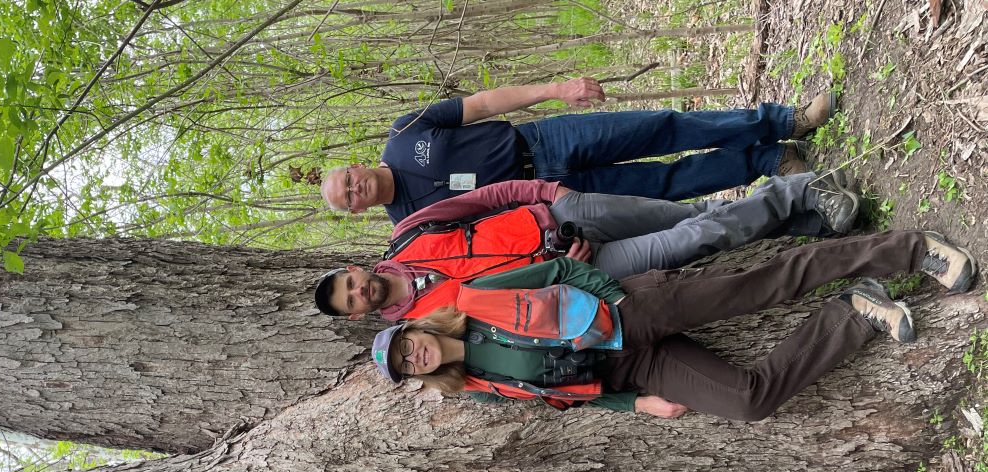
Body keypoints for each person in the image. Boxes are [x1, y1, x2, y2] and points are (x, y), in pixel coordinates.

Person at [364, 230, 978, 421]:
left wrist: (614, 298)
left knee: (766, 285)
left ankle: (910, 250)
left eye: (405, 347)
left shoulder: (470, 299)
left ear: (415, 329)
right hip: (634, 366)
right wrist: (636, 404)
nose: (412, 358)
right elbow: (567, 398)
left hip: (632, 311)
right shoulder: (476, 383)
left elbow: (552, 268)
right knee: (746, 402)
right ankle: (855, 313)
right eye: (404, 368)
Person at [316, 171, 860, 322]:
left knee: (691, 216)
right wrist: (568, 278)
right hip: (583, 270)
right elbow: (512, 319)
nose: (359, 290)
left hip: (563, 214)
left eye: (349, 283)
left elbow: (485, 198)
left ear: (352, 268)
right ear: (358, 313)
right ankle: (799, 196)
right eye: (352, 300)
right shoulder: (420, 329)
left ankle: (805, 210)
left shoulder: (408, 233)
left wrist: (551, 193)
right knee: (695, 238)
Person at [321, 78, 838, 222]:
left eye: (348, 178)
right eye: (349, 197)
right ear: (356, 209)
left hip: (546, 140)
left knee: (663, 127)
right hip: (556, 194)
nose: (354, 187)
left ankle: (787, 120)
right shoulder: (412, 220)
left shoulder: (404, 131)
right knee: (665, 187)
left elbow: (479, 104)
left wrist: (552, 89)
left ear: (356, 165)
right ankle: (770, 159)